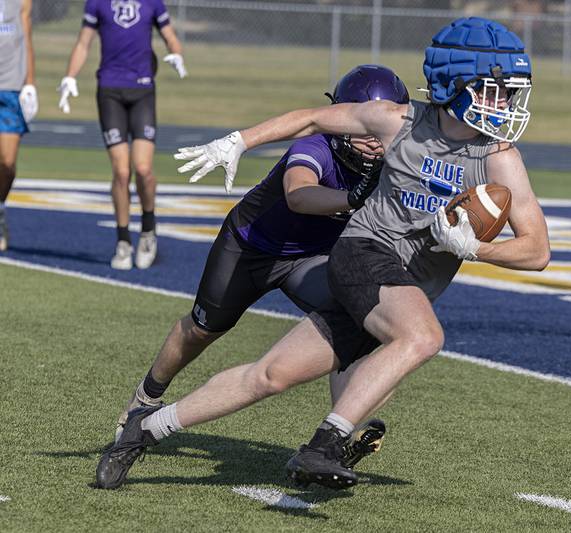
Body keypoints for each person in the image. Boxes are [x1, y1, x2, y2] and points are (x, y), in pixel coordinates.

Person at [96, 17, 550, 491]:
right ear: (453, 83)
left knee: (269, 376)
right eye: (494, 90)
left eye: (509, 92)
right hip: (364, 252)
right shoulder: (398, 121)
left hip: (398, 287)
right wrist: (238, 141)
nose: (505, 104)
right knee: (423, 337)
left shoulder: (499, 157)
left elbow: (537, 250)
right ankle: (326, 443)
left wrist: (478, 248)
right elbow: (312, 119)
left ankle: (144, 428)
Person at [112, 65, 410, 472]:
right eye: (367, 129)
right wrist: (352, 197)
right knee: (202, 329)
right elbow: (299, 196)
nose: (378, 141)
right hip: (251, 247)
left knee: (360, 323)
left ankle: (342, 432)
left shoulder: (398, 161)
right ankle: (145, 399)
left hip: (312, 259)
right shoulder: (316, 146)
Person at [60, 0, 187, 269]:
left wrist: (176, 53)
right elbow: (84, 42)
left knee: (143, 169)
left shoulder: (153, 2)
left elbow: (169, 35)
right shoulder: (97, 2)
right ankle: (123, 242)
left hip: (142, 91)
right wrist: (69, 76)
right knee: (120, 171)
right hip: (109, 91)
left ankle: (148, 232)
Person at [0, 0, 37, 252]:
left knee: (7, 162)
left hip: (10, 86)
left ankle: (0, 207)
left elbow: (26, 33)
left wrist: (31, 83)